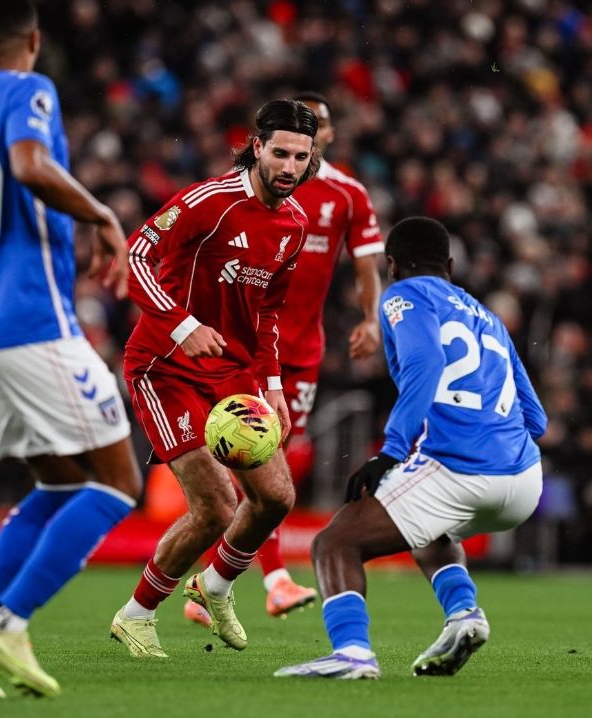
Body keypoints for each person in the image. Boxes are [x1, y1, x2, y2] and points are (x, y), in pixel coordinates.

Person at [0, 0, 142, 698]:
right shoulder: (30, 88)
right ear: (33, 39)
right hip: (34, 320)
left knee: (58, 484)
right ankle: (7, 619)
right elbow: (29, 165)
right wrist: (103, 213)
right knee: (118, 483)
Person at [275, 216, 547, 679]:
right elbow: (536, 419)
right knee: (430, 528)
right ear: (451, 266)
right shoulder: (488, 317)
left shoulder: (403, 294)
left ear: (392, 265)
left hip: (457, 467)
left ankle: (352, 654)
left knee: (334, 543)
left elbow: (425, 360)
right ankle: (463, 614)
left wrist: (391, 451)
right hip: (524, 480)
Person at [109, 99, 319, 658]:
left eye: (300, 157)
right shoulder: (209, 201)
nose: (289, 167)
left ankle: (216, 585)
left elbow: (268, 313)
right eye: (280, 153)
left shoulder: (295, 225)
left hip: (233, 372)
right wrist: (182, 326)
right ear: (257, 147)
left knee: (276, 497)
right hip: (166, 366)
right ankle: (136, 615)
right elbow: (135, 257)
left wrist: (272, 385)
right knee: (216, 508)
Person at [183, 91, 383, 625]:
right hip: (245, 348)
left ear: (326, 137)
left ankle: (215, 582)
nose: (294, 157)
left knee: (277, 461)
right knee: (254, 458)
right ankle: (270, 580)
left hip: (302, 350)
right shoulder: (252, 190)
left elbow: (366, 263)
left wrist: (371, 318)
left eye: (318, 129)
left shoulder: (347, 195)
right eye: (284, 148)